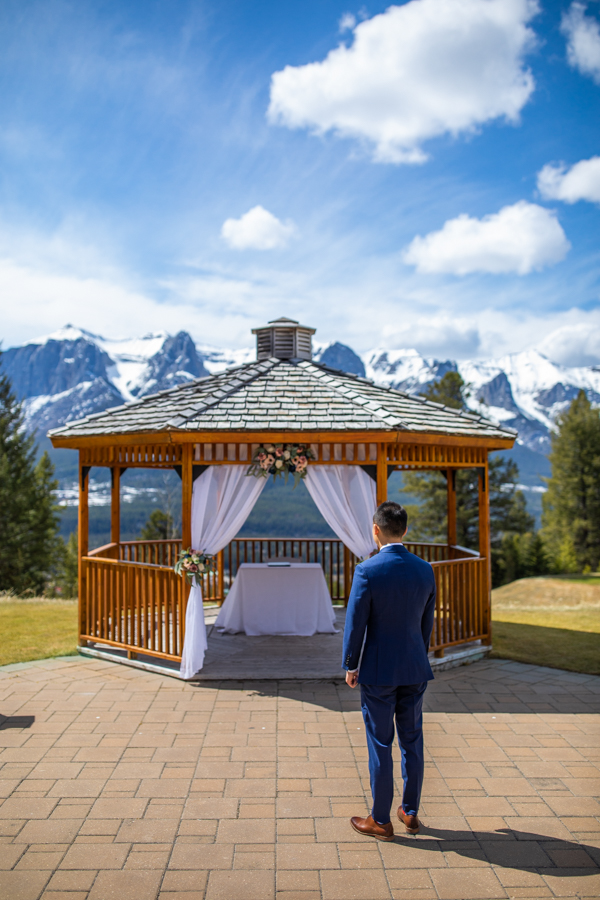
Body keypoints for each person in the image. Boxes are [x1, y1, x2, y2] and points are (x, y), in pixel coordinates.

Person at [342, 501, 436, 841]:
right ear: (405, 530)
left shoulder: (368, 571)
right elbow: (426, 624)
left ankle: (380, 819)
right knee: (413, 741)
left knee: (381, 743)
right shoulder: (426, 569)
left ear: (376, 530)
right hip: (415, 668)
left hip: (379, 672)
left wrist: (351, 664)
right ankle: (410, 813)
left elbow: (356, 624)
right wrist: (417, 656)